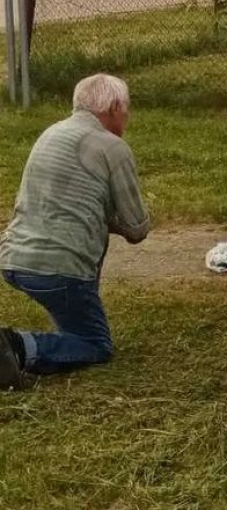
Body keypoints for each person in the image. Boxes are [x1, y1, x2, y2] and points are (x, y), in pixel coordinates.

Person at [0, 74, 150, 390]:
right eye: (127, 108)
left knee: (71, 317)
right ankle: (15, 346)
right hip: (58, 269)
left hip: (13, 257)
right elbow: (137, 228)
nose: (128, 115)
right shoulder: (113, 148)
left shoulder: (52, 133)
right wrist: (109, 217)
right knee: (94, 344)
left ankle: (29, 343)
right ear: (113, 107)